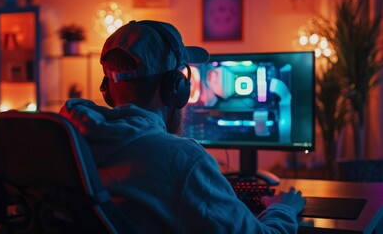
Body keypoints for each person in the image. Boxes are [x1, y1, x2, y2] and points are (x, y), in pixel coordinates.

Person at [59, 20, 306, 233]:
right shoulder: (184, 161)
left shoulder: (70, 142)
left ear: (108, 90)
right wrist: (283, 208)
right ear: (175, 88)